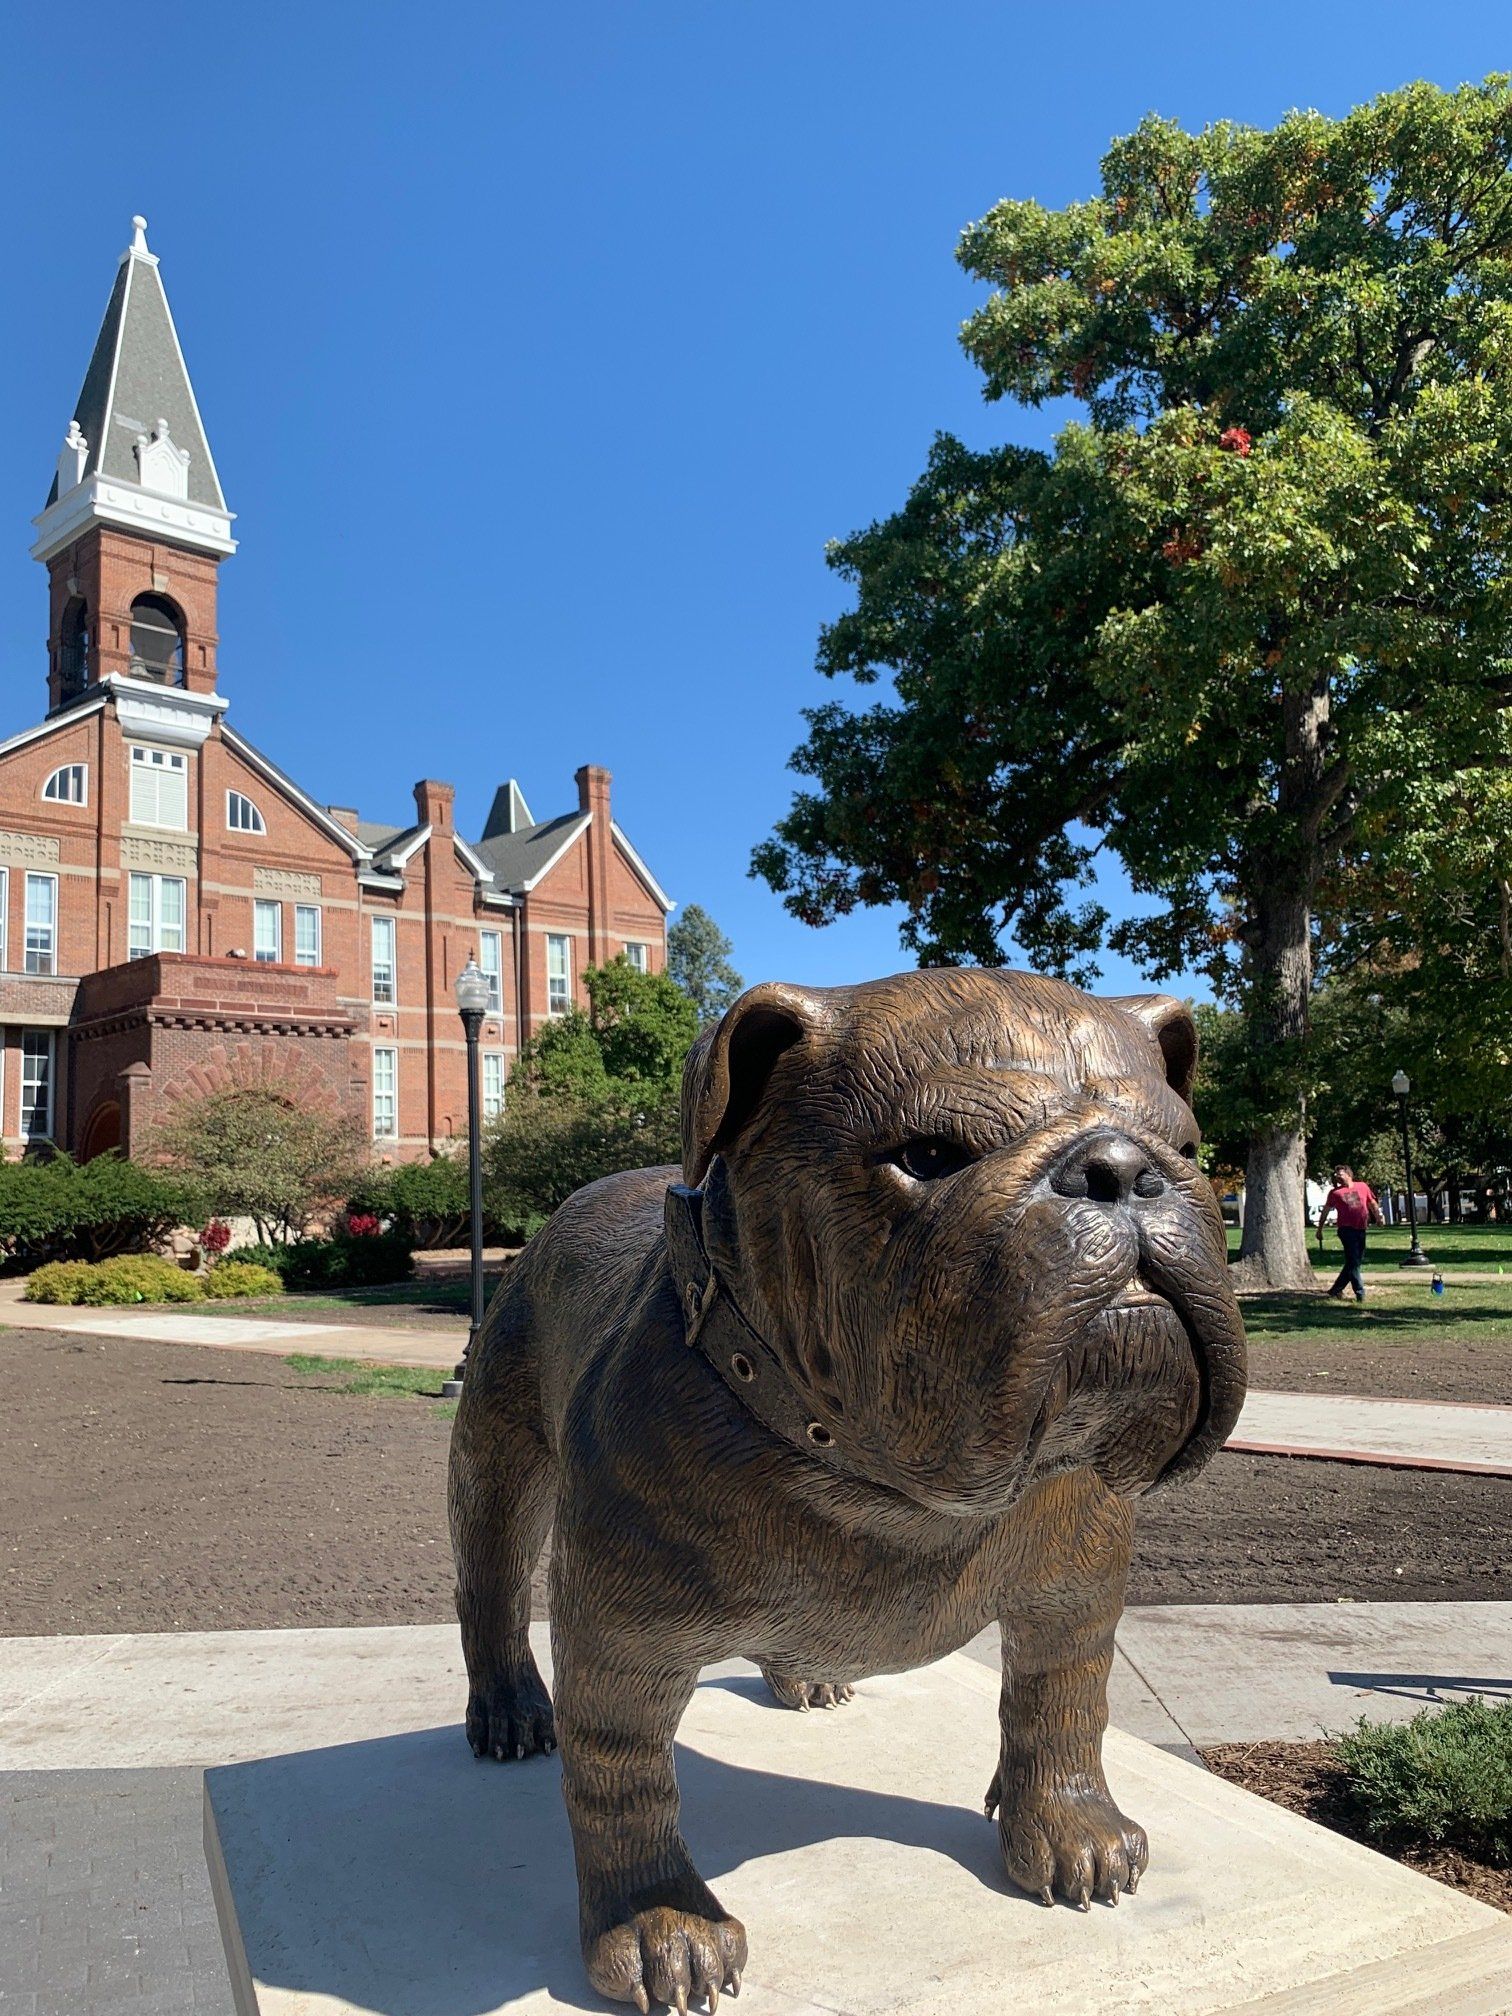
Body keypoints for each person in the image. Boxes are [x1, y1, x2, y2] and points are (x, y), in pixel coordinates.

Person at [1319, 1164, 1385, 1302]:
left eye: (1340, 1174)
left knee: (1354, 1263)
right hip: (1346, 1230)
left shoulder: (1362, 1186)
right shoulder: (1335, 1193)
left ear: (1348, 1174)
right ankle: (1360, 1294)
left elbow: (1372, 1203)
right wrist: (1320, 1229)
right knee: (1353, 1262)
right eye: (1336, 1175)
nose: (1337, 1177)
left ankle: (1335, 1290)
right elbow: (1325, 1211)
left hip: (1361, 1229)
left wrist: (1378, 1217)